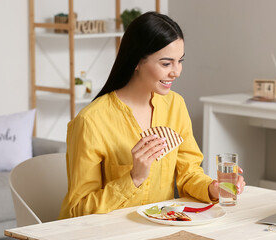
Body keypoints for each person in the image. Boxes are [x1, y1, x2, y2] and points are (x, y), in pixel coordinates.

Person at [59, 12, 245, 219]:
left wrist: (213, 189)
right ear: (136, 61)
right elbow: (78, 209)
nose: (177, 72)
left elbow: (189, 174)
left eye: (180, 61)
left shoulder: (175, 105)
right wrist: (133, 178)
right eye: (166, 64)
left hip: (158, 228)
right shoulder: (90, 121)